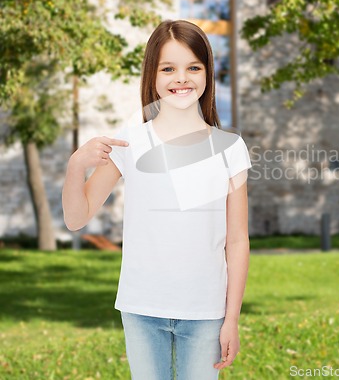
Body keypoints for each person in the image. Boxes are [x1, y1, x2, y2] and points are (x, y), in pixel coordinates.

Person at [62, 19, 252, 379]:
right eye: (169, 68)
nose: (181, 78)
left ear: (207, 73)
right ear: (153, 74)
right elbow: (77, 217)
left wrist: (232, 319)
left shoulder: (230, 148)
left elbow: (238, 240)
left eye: (193, 67)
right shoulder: (131, 141)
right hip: (142, 306)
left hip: (206, 310)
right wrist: (76, 166)